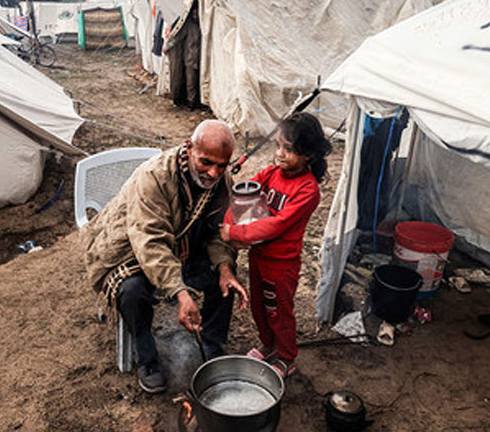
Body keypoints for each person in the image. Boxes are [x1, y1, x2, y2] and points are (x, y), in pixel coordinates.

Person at [81, 120, 248, 394]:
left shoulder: (221, 181)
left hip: (183, 245)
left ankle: (212, 346)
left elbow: (219, 231)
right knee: (132, 292)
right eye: (205, 162)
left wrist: (225, 266)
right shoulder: (155, 176)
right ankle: (147, 359)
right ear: (189, 147)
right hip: (133, 246)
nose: (213, 172)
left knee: (225, 279)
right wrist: (180, 292)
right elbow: (150, 241)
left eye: (222, 165)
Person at [220, 112, 332, 379]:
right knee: (259, 308)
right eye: (278, 146)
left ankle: (286, 357)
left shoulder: (307, 190)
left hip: (281, 266)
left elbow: (277, 224)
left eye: (289, 149)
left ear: (309, 154)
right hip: (259, 257)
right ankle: (269, 346)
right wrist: (230, 228)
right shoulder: (271, 174)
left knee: (278, 312)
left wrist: (237, 232)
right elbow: (240, 199)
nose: (280, 154)